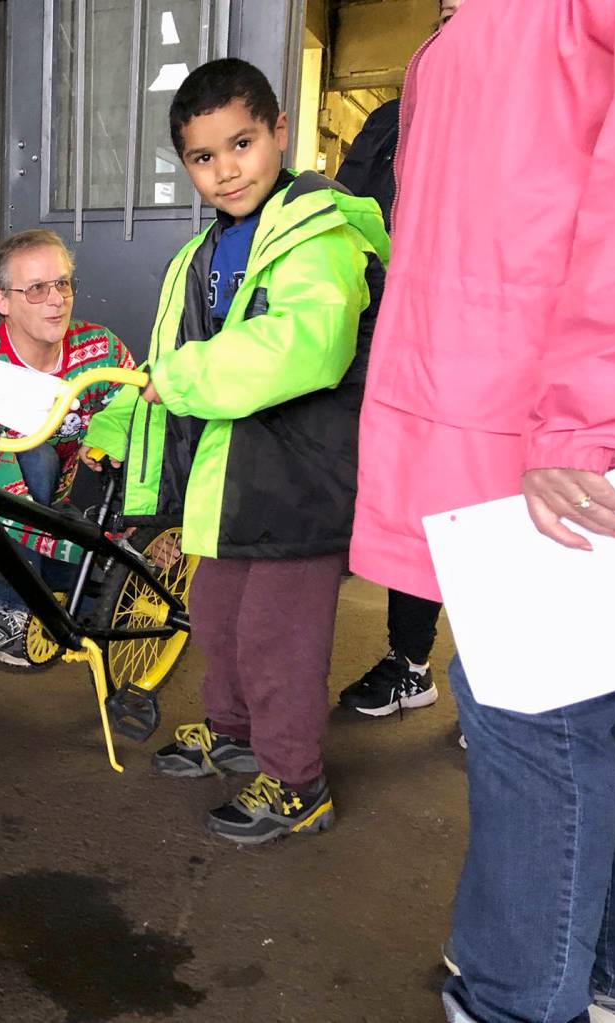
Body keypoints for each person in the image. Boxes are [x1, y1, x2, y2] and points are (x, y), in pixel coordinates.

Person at [349, 1, 615, 1021]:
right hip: (519, 418)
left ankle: (516, 1003)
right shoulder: (469, 23)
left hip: (552, 430)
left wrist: (596, 417)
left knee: (536, 720)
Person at [84, 57, 389, 844]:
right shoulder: (198, 256)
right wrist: (115, 429)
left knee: (276, 637)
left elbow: (305, 346)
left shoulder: (319, 233)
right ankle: (231, 732)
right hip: (227, 483)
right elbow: (160, 361)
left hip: (300, 478)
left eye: (242, 143)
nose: (225, 171)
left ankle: (297, 781)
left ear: (280, 131)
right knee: (216, 615)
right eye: (202, 157)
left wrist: (179, 379)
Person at [334, 0, 467, 719]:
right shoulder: (393, 117)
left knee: (484, 509)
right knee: (415, 499)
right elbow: (351, 209)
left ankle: (495, 683)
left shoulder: (534, 101)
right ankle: (410, 660)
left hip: (487, 337)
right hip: (395, 326)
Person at [0, 228, 135, 667]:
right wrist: (85, 540)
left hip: (47, 500)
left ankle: (15, 572)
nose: (56, 299)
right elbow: (0, 496)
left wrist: (133, 523)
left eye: (62, 283)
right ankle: (7, 608)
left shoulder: (101, 348)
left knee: (110, 584)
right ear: (4, 302)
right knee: (32, 455)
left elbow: (139, 420)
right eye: (36, 288)